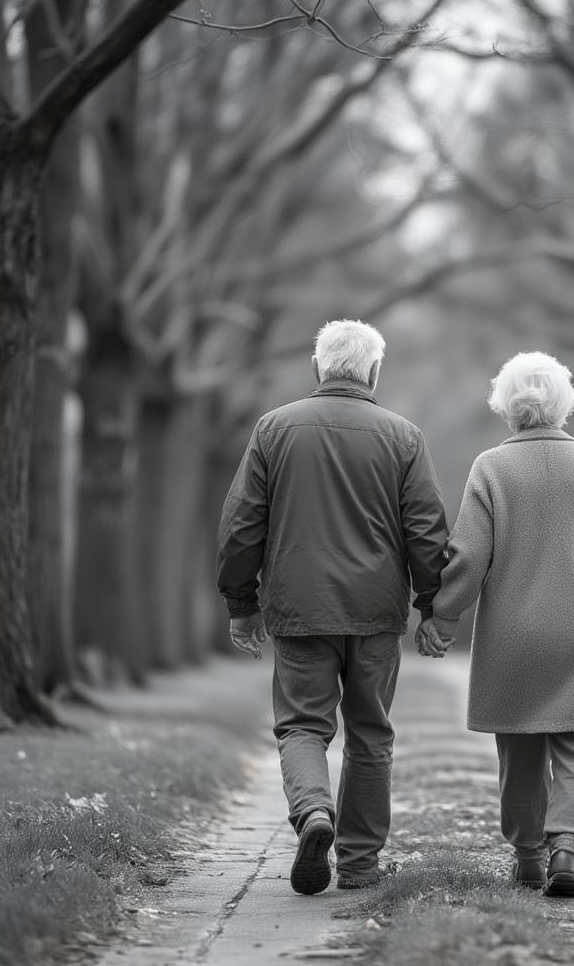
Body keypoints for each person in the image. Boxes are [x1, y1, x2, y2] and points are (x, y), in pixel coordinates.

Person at [217, 319, 448, 895]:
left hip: (299, 607)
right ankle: (361, 864)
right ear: (373, 372)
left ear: (318, 368)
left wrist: (241, 604)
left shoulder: (274, 429)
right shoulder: (403, 436)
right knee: (370, 732)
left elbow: (242, 524)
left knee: (301, 725)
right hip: (374, 611)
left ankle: (313, 812)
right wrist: (433, 606)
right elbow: (426, 530)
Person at [416, 351, 574, 898]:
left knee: (520, 746)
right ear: (565, 403)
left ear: (505, 405)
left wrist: (442, 617)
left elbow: (469, 557)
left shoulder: (491, 468)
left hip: (514, 633)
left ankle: (527, 855)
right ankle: (566, 846)